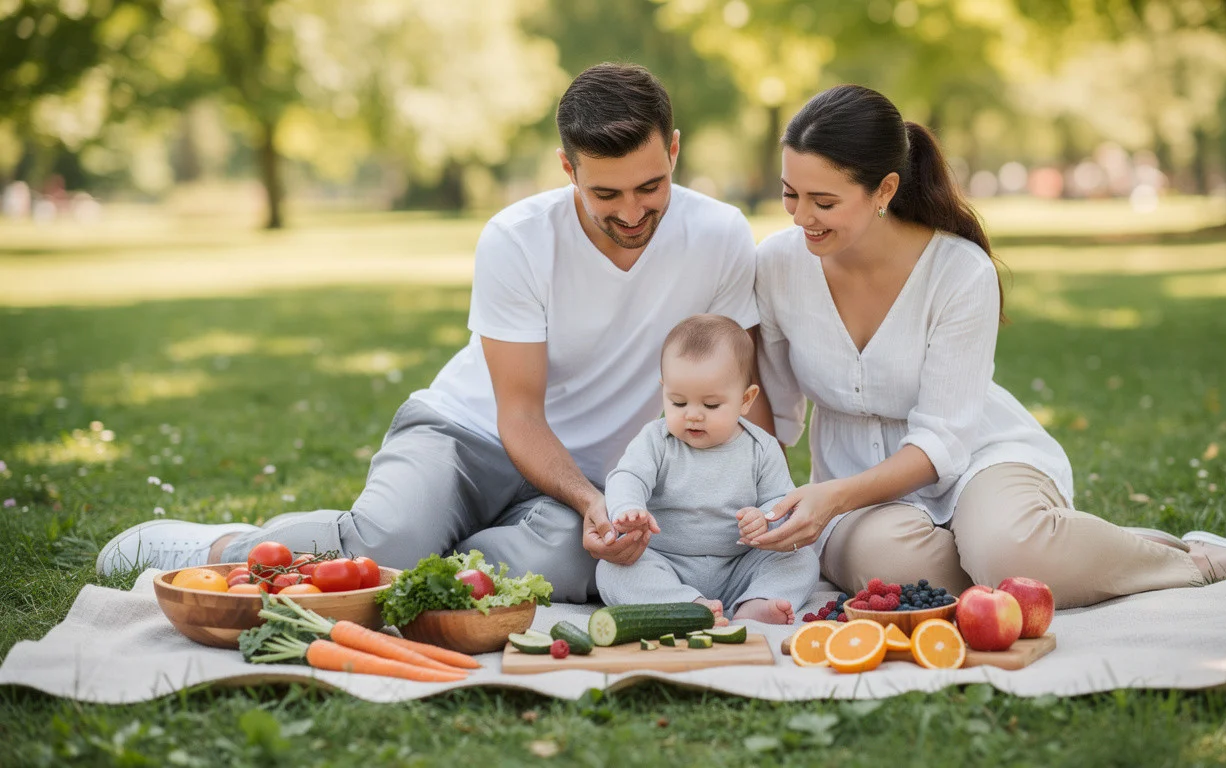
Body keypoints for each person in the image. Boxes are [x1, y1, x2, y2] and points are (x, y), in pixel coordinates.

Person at [97, 63, 763, 603]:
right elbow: (520, 416)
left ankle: (410, 549)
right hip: (467, 433)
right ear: (567, 170)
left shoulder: (721, 236)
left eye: (650, 187)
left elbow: (736, 389)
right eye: (605, 194)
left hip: (593, 475)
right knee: (389, 542)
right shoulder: (517, 239)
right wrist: (592, 500)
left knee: (573, 570)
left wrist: (642, 505)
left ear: (674, 150)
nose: (632, 212)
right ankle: (224, 548)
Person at [746, 85, 1226, 608]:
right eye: (790, 195)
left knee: (1007, 550)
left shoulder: (959, 271)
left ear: (884, 190)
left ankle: (1193, 561)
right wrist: (777, 498)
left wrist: (833, 498)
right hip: (859, 490)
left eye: (822, 201)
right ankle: (1061, 551)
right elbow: (774, 410)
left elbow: (944, 439)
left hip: (976, 459)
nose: (801, 218)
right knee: (896, 571)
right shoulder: (777, 265)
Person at [597, 315, 818, 624]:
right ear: (664, 391)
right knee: (612, 571)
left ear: (745, 400)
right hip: (666, 563)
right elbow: (627, 477)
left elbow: (781, 499)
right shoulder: (656, 440)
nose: (693, 416)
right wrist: (629, 507)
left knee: (802, 559)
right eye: (677, 402)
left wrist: (765, 519)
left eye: (711, 405)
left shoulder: (761, 447)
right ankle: (685, 605)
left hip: (739, 566)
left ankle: (755, 602)